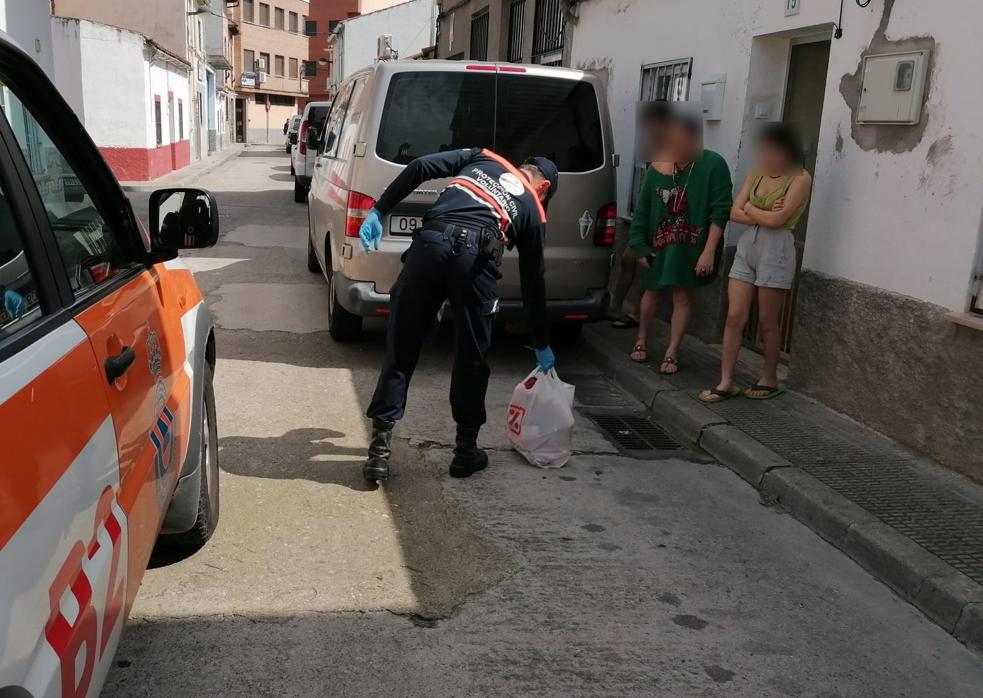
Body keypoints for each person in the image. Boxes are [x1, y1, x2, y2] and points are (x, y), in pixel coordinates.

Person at [358, 148, 559, 482]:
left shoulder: (483, 157)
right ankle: (465, 453)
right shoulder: (532, 208)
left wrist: (380, 209)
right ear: (544, 188)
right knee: (471, 357)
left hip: (429, 246)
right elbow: (533, 282)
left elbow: (421, 164)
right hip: (475, 261)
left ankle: (378, 454)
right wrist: (541, 341)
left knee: (401, 347)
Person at [699, 123, 812, 402]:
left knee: (766, 320)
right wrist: (758, 211)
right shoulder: (757, 173)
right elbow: (733, 213)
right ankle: (726, 381)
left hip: (778, 249)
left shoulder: (800, 178)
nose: (766, 155)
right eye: (764, 150)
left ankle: (770, 378)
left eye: (771, 149)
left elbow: (778, 221)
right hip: (748, 245)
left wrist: (750, 207)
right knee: (735, 315)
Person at [628, 112, 732, 374]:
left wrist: (708, 252)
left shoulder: (713, 165)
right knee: (651, 290)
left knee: (683, 295)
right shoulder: (658, 168)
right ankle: (641, 339)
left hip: (691, 245)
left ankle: (672, 352)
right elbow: (642, 211)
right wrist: (639, 246)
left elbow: (720, 211)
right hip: (660, 244)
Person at [608, 100, 673, 330]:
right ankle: (618, 307)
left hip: (663, 217)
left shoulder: (674, 145)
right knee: (630, 259)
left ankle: (635, 314)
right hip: (646, 214)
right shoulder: (654, 142)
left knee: (645, 265)